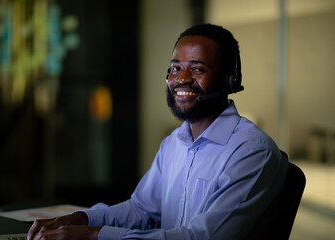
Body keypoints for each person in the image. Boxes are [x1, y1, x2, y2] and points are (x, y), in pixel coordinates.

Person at [27, 23, 288, 240]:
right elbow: (142, 210)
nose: (182, 78)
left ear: (230, 80)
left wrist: (94, 235)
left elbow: (203, 237)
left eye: (198, 69)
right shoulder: (174, 143)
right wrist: (79, 220)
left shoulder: (252, 150)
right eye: (175, 68)